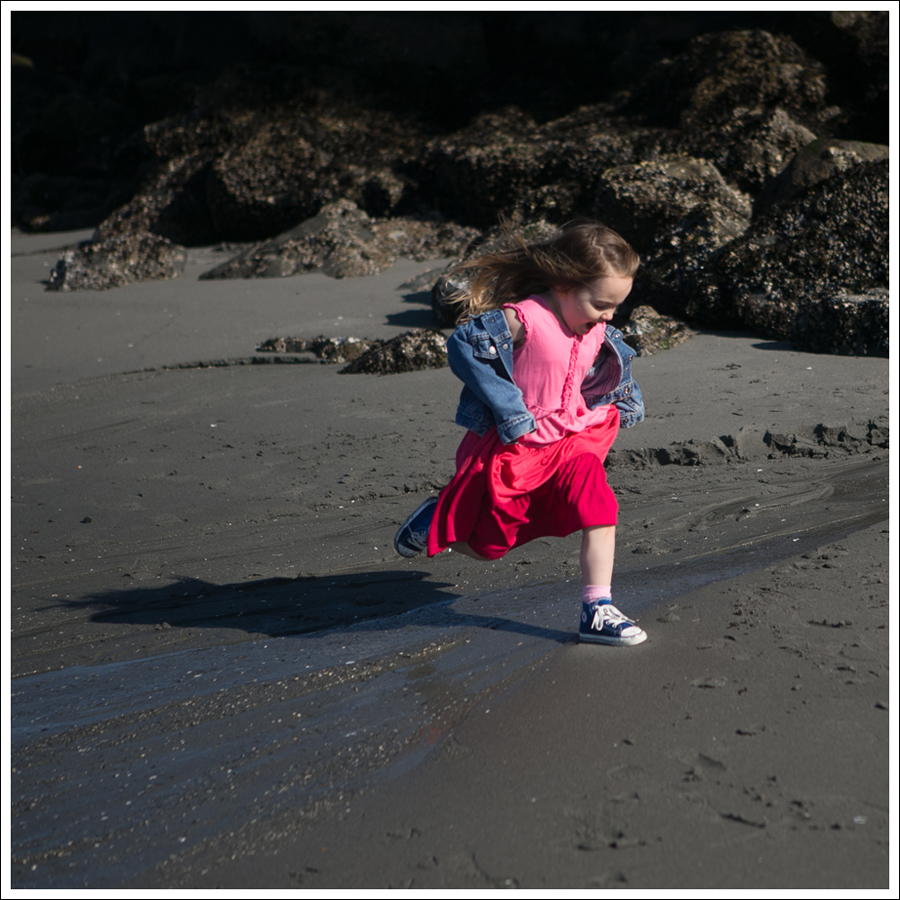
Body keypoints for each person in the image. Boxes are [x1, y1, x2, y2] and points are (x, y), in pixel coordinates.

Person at [394, 220, 647, 646]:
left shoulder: (598, 327)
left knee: (600, 507)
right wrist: (511, 410)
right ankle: (435, 517)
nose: (607, 316)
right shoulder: (524, 318)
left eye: (615, 308)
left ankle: (597, 608)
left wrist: (617, 401)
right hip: (518, 448)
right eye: (601, 304)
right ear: (564, 283)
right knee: (490, 545)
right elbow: (463, 344)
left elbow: (595, 373)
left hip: (573, 439)